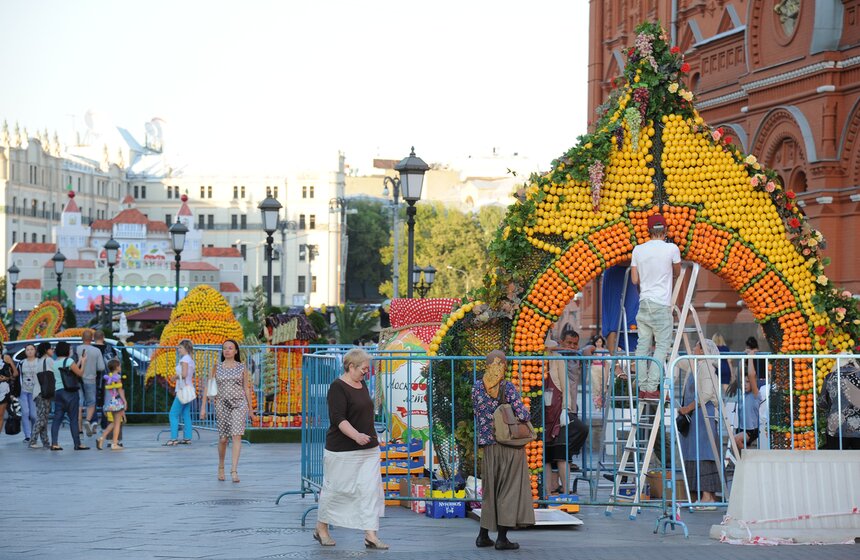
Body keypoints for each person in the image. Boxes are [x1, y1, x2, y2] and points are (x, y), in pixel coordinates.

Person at [314, 348, 387, 549]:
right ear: (351, 366)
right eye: (364, 368)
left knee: (370, 490)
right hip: (342, 449)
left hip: (369, 449)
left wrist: (368, 437)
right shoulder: (337, 387)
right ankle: (321, 528)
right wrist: (356, 436)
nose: (367, 372)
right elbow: (338, 418)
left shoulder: (362, 384)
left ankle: (370, 535)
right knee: (336, 490)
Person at [471, 350, 535, 550]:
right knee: (508, 490)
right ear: (504, 366)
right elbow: (522, 414)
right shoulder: (507, 387)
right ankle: (502, 539)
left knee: (490, 491)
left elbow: (477, 413)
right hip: (508, 447)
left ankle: (483, 536)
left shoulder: (477, 387)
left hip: (488, 447)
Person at [630, 214, 681, 399]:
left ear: (648, 231)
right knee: (662, 346)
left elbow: (634, 279)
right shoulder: (672, 249)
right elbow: (677, 272)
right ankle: (651, 388)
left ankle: (642, 386)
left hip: (644, 303)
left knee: (642, 346)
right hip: (661, 304)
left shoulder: (638, 250)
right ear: (665, 230)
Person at [199, 340, 256, 483]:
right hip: (222, 405)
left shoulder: (242, 367)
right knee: (223, 439)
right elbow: (208, 386)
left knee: (236, 436)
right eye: (225, 348)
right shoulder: (216, 367)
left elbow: (246, 388)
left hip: (239, 404)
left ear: (236, 351)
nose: (227, 351)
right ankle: (221, 466)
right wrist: (203, 407)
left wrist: (251, 410)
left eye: (230, 348)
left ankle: (234, 470)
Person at [677, 339, 722, 507]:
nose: (694, 348)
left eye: (697, 345)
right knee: (694, 454)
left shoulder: (706, 366)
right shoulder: (695, 365)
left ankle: (708, 496)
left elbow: (706, 394)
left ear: (703, 350)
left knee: (705, 453)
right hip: (696, 416)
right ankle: (699, 494)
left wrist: (687, 408)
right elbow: (679, 361)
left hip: (704, 416)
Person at [543, 340, 576, 495]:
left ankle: (566, 491)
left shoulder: (558, 359)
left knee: (562, 453)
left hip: (558, 411)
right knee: (546, 456)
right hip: (542, 413)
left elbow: (564, 385)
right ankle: (547, 493)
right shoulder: (533, 360)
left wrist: (565, 408)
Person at [556, 329, 591, 471]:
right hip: (561, 404)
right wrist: (561, 348)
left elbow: (590, 347)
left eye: (574, 344)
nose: (571, 346)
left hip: (572, 403)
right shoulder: (557, 356)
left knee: (572, 434)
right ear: (561, 342)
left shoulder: (577, 356)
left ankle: (566, 459)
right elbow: (548, 347)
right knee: (581, 429)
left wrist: (588, 349)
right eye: (568, 343)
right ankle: (563, 459)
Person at [50, 341, 88, 451]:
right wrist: (83, 362)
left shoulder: (54, 363)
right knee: (73, 419)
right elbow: (80, 373)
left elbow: (70, 369)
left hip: (58, 392)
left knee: (57, 418)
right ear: (66, 350)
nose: (71, 350)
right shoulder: (69, 361)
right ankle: (77, 444)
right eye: (70, 349)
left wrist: (79, 360)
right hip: (70, 392)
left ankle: (54, 443)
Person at [818, 356, 860, 450]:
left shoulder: (830, 377)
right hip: (858, 428)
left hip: (837, 427)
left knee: (836, 457)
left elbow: (822, 403)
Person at [77, 329, 106, 437]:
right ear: (91, 339)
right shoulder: (96, 351)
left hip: (78, 380)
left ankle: (79, 429)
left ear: (82, 338)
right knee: (91, 403)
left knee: (79, 404)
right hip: (91, 379)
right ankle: (88, 420)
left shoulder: (77, 349)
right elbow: (101, 367)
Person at [166, 339, 196, 446]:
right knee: (185, 414)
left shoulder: (184, 360)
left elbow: (183, 375)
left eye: (180, 348)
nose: (178, 349)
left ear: (186, 348)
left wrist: (175, 377)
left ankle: (174, 438)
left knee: (173, 414)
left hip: (183, 390)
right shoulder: (190, 360)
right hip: (189, 388)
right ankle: (187, 437)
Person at [97, 359, 126, 451]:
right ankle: (114, 443)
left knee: (113, 422)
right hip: (117, 402)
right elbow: (120, 390)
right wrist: (125, 401)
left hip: (109, 403)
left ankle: (102, 438)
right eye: (119, 366)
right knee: (117, 423)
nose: (120, 367)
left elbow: (107, 392)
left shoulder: (107, 378)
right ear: (117, 367)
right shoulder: (118, 377)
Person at [30, 342, 54, 449]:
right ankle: (32, 441)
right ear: (46, 350)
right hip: (43, 392)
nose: (53, 350)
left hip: (38, 392)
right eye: (51, 348)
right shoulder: (48, 360)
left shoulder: (39, 361)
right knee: (42, 418)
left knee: (43, 417)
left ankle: (45, 442)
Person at [18, 344, 40, 444]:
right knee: (25, 413)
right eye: (27, 349)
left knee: (33, 415)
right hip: (23, 391)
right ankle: (27, 436)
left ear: (35, 351)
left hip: (35, 391)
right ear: (25, 351)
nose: (30, 351)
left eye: (32, 349)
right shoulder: (21, 363)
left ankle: (34, 434)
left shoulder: (39, 362)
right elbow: (18, 377)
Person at [729, 376, 759, 452]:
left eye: (748, 382)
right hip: (741, 428)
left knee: (735, 439)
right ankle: (747, 456)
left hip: (751, 430)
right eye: (743, 382)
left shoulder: (755, 395)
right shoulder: (742, 395)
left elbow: (752, 374)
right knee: (737, 451)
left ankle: (748, 456)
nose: (745, 384)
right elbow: (737, 377)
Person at [0, 341, 20, 435]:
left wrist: (6, 378)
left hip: (3, 390)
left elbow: (15, 373)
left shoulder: (6, 358)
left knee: (0, 415)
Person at [589, 335, 611, 409]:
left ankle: (602, 403)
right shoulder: (592, 350)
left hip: (603, 368)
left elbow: (607, 361)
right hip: (594, 368)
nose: (598, 343)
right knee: (596, 386)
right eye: (597, 342)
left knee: (603, 386)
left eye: (600, 342)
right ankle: (597, 404)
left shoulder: (605, 350)